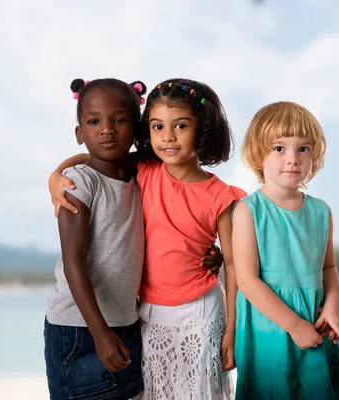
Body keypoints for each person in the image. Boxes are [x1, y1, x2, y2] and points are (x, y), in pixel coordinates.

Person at [49, 78, 243, 399]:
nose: (167, 136)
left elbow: (235, 265)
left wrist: (232, 333)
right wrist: (57, 173)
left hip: (202, 313)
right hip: (149, 317)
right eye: (157, 126)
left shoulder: (221, 196)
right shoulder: (147, 168)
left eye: (180, 126)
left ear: (203, 128)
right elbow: (96, 156)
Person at [232, 101, 339, 400]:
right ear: (259, 153)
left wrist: (334, 306)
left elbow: (328, 269)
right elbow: (247, 280)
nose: (293, 159)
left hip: (315, 323)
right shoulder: (249, 210)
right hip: (269, 327)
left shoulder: (322, 211)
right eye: (279, 148)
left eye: (303, 149)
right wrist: (294, 326)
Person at [44, 78, 147, 400]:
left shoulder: (139, 173)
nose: (107, 129)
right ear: (80, 133)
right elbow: (73, 261)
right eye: (93, 121)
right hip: (80, 328)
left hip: (126, 322)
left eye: (119, 120)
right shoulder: (79, 183)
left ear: (136, 128)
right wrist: (99, 333)